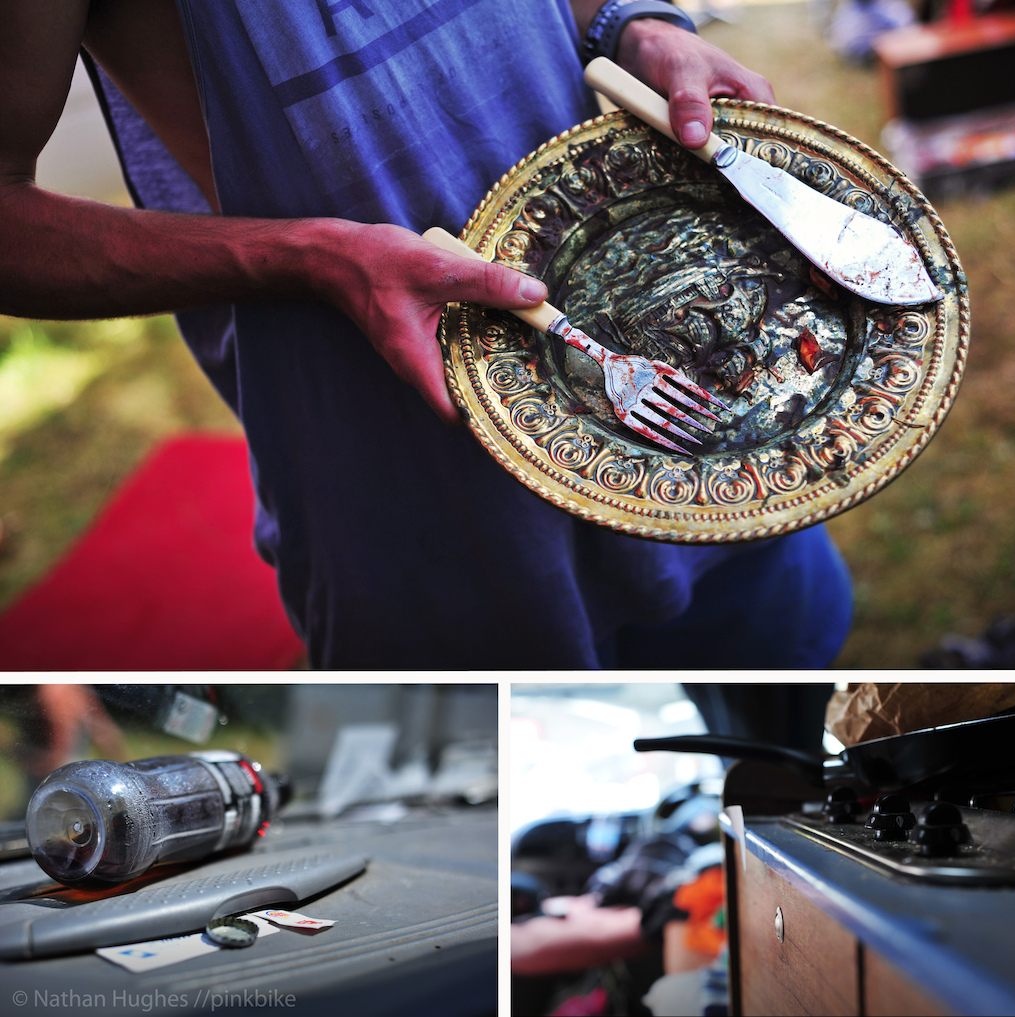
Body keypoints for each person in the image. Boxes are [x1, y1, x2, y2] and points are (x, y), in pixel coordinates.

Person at [0, 0, 853, 668]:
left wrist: (640, 23)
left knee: (767, 697)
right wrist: (313, 256)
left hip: (672, 369)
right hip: (405, 457)